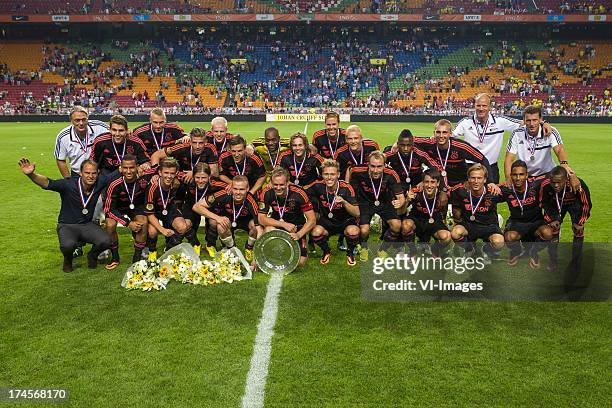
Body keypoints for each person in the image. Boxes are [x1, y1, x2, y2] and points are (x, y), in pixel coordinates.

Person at [19, 158, 114, 272]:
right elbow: (47, 183)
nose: (90, 176)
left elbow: (116, 174)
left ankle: (92, 255)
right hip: (67, 226)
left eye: (93, 173)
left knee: (107, 241)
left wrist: (139, 167)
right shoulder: (68, 184)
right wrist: (31, 175)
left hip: (86, 225)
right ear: (80, 173)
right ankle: (68, 260)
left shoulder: (100, 182)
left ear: (98, 173)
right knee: (67, 246)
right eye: (87, 173)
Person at [453, 93, 551, 183]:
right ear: (474, 106)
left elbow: (524, 123)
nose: (481, 108)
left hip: (491, 168)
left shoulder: (500, 121)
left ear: (490, 107)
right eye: (478, 105)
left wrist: (543, 122)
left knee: (491, 199)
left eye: (484, 105)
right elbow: (451, 135)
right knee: (468, 199)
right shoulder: (465, 122)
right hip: (470, 167)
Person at [102, 154, 154, 269]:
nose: (129, 171)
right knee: (110, 225)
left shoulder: (144, 178)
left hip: (135, 206)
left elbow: (160, 168)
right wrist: (128, 223)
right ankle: (115, 257)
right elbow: (109, 209)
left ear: (137, 167)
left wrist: (154, 174)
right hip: (116, 208)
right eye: (125, 168)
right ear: (121, 168)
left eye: (131, 167)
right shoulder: (114, 183)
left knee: (143, 222)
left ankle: (136, 258)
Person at [350, 151, 405, 261]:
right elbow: (350, 191)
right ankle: (364, 247)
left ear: (384, 165)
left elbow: (401, 197)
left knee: (396, 225)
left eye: (379, 166)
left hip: (385, 202)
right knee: (364, 230)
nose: (375, 170)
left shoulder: (391, 174)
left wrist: (400, 202)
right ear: (368, 164)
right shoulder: (357, 171)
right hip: (365, 202)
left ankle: (383, 249)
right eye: (373, 166)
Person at [498, 160, 553, 268]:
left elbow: (555, 174)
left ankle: (533, 252)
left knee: (547, 233)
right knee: (509, 237)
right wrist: (491, 185)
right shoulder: (506, 189)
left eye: (521, 174)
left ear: (527, 175)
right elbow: (486, 191)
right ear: (510, 175)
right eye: (515, 175)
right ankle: (516, 251)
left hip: (536, 222)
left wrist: (572, 175)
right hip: (517, 223)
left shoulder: (536, 184)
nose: (518, 178)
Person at [194, 176, 261, 262]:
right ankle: (231, 248)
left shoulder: (252, 201)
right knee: (220, 225)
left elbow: (259, 229)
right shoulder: (223, 194)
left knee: (255, 226)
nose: (238, 192)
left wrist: (256, 256)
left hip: (246, 222)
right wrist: (217, 218)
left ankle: (249, 248)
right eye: (235, 189)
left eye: (242, 189)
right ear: (231, 187)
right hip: (228, 221)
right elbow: (197, 206)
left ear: (247, 189)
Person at [305, 159, 360, 266]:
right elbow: (301, 191)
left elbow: (357, 213)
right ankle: (326, 251)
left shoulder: (346, 188)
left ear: (338, 174)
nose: (329, 177)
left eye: (332, 174)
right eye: (326, 174)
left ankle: (350, 253)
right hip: (327, 221)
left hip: (345, 221)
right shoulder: (317, 185)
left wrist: (344, 202)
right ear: (322, 175)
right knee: (315, 233)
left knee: (353, 231)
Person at [258, 167, 316, 268]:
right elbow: (261, 218)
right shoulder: (266, 192)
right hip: (278, 226)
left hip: (296, 229)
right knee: (268, 229)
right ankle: (265, 255)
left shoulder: (299, 193)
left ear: (288, 182)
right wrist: (283, 224)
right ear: (271, 183)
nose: (278, 187)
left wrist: (299, 234)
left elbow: (312, 220)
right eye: (275, 184)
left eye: (281, 184)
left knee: (300, 263)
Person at [416, 119, 497, 191]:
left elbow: (482, 159)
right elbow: (410, 140)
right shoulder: (429, 143)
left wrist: (490, 182)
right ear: (434, 133)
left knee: (459, 207)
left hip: (460, 183)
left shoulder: (461, 146)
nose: (441, 136)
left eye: (444, 132)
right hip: (439, 182)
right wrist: (423, 179)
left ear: (450, 134)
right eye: (438, 132)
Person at [539, 166, 591, 271]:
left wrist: (580, 222)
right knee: (553, 229)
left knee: (578, 230)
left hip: (574, 204)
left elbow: (586, 203)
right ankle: (553, 260)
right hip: (556, 205)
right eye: (553, 182)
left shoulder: (576, 184)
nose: (556, 185)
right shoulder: (546, 185)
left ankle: (575, 262)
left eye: (559, 182)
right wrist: (552, 219)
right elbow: (543, 202)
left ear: (566, 179)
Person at [449, 164, 505, 259]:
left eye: (479, 178)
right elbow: (443, 192)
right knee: (455, 233)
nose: (476, 181)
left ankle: (486, 248)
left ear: (485, 179)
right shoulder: (461, 191)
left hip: (489, 226)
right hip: (469, 225)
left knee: (499, 242)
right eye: (473, 178)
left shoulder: (493, 192)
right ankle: (469, 248)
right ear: (468, 179)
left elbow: (513, 191)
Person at [504, 105, 573, 180]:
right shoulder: (517, 134)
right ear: (524, 120)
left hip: (547, 175)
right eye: (528, 120)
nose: (531, 124)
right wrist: (508, 178)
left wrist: (564, 164)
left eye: (534, 120)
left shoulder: (550, 131)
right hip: (526, 176)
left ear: (540, 120)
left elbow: (559, 150)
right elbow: (509, 159)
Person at [145, 158, 197, 252]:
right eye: (166, 173)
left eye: (172, 173)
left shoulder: (178, 178)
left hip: (169, 208)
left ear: (176, 173)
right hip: (154, 212)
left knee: (183, 226)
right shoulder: (152, 188)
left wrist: (192, 172)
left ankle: (171, 248)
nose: (169, 176)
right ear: (159, 173)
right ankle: (152, 251)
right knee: (152, 231)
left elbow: (199, 175)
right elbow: (149, 214)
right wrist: (162, 230)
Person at [403, 168, 451, 256]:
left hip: (434, 221)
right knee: (406, 225)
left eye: (432, 182)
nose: (429, 185)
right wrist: (407, 200)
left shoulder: (442, 195)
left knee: (446, 236)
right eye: (426, 182)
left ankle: (434, 249)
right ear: (422, 182)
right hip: (417, 219)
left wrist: (444, 222)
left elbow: (445, 210)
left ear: (438, 183)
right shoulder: (415, 192)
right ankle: (413, 251)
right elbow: (401, 211)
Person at [182, 163, 228, 255]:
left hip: (209, 208)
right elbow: (172, 173)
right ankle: (196, 244)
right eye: (197, 177)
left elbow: (232, 187)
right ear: (193, 176)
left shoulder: (217, 184)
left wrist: (231, 184)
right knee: (185, 225)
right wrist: (155, 176)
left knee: (214, 222)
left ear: (209, 176)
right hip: (191, 206)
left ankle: (210, 245)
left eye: (203, 178)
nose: (200, 181)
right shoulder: (188, 180)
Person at [54, 105, 109, 177]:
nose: (81, 123)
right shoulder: (63, 137)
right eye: (77, 120)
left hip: (99, 173)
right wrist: (68, 180)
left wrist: (127, 131)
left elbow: (115, 130)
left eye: (84, 119)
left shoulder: (99, 127)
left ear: (87, 118)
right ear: (71, 121)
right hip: (77, 174)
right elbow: (60, 160)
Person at [150, 127, 219, 181]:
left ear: (206, 142)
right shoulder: (181, 147)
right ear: (190, 142)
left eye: (201, 143)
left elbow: (214, 172)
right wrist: (156, 173)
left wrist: (194, 173)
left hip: (201, 180)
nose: (197, 146)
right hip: (182, 178)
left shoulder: (210, 148)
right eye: (194, 143)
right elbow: (156, 155)